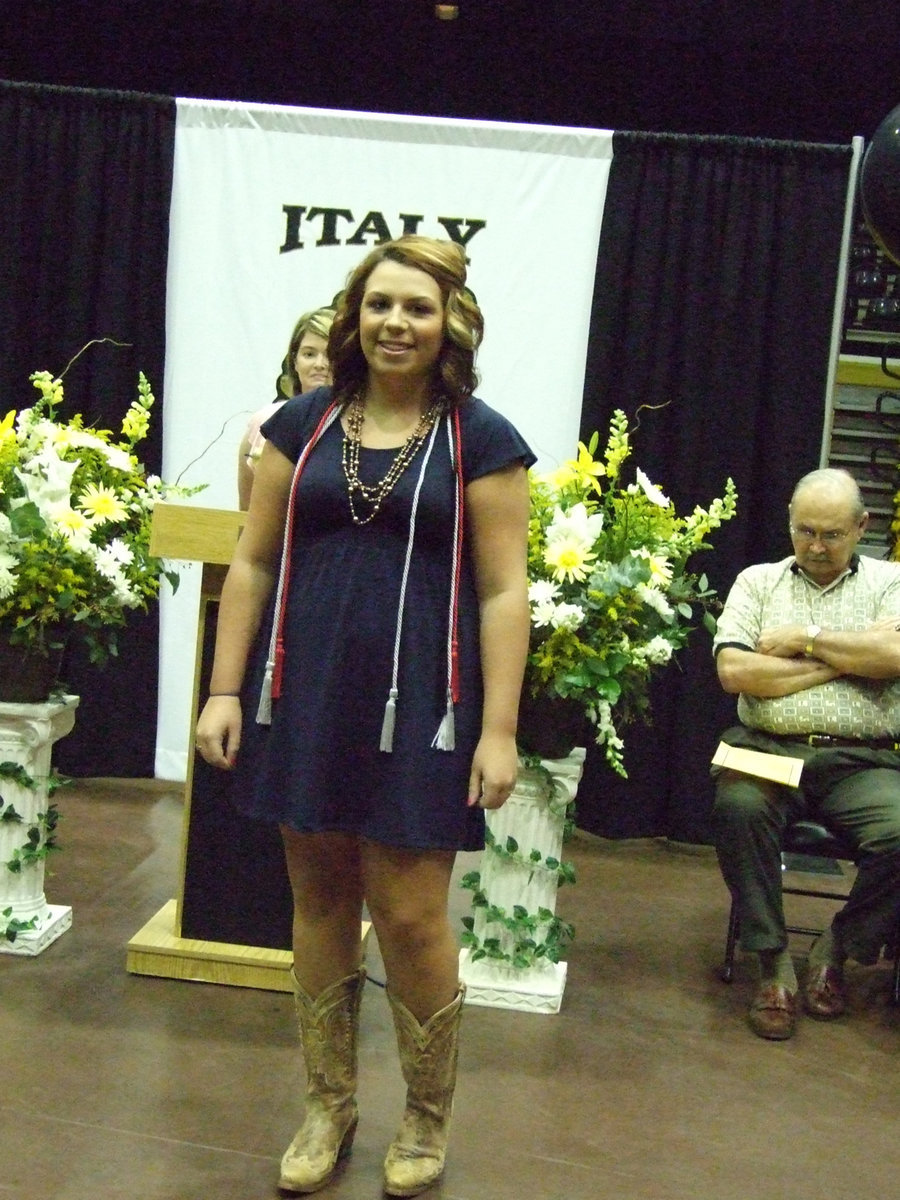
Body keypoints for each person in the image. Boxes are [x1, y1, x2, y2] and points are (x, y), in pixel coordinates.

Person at [195, 235, 534, 1194]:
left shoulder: (485, 439)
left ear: (449, 325)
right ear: (354, 316)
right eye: (380, 304)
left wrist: (500, 731)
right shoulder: (300, 424)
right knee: (319, 900)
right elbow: (251, 562)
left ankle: (425, 1117)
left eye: (418, 309)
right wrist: (226, 690)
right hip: (300, 691)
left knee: (414, 914)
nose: (397, 323)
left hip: (425, 704)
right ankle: (327, 1103)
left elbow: (506, 591)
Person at [711, 467, 900, 1040]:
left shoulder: (890, 583)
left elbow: (894, 656)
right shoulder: (758, 581)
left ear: (862, 527)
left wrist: (803, 640)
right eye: (805, 531)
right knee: (738, 809)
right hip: (765, 750)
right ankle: (772, 964)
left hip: (862, 760)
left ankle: (838, 947)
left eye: (832, 535)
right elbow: (734, 670)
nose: (816, 547)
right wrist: (842, 662)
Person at [237, 306, 335, 508]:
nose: (320, 364)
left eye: (330, 354)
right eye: (309, 354)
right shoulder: (264, 422)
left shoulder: (357, 423)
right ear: (294, 361)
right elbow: (245, 515)